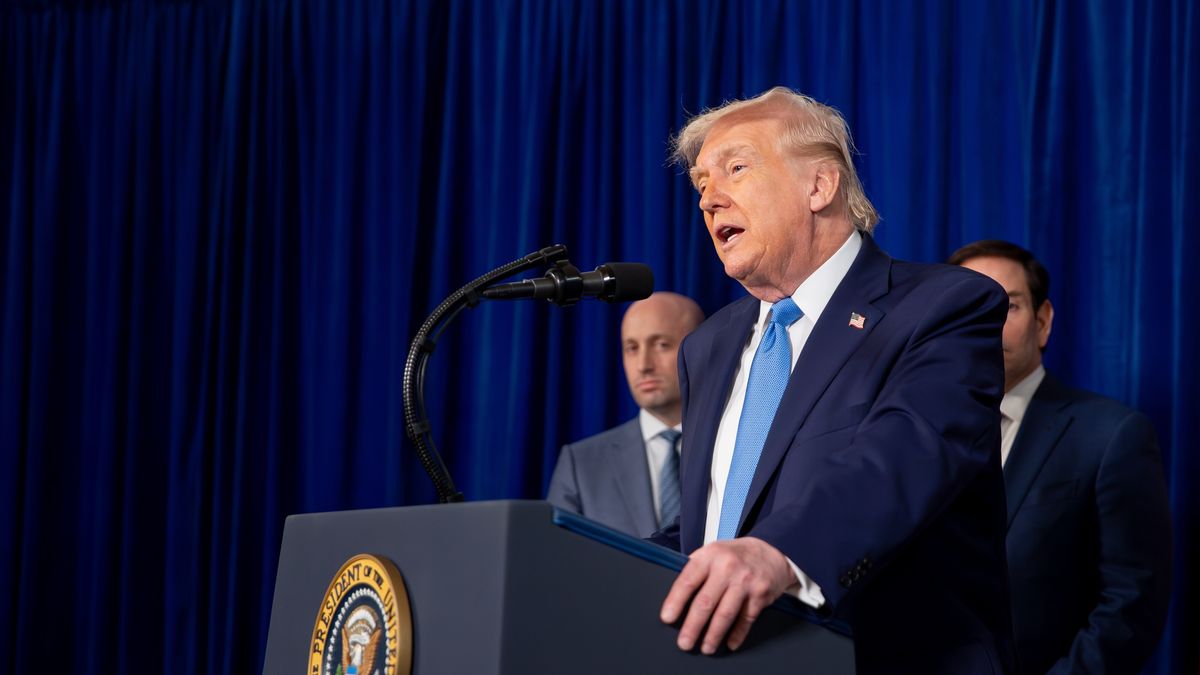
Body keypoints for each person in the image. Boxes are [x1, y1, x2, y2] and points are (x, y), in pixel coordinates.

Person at [652, 87, 1017, 674]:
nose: (709, 201)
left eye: (736, 168)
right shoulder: (708, 346)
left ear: (820, 186)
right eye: (700, 185)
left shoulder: (944, 306)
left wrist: (779, 552)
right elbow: (714, 521)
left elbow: (905, 453)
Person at [950, 240, 1172, 674]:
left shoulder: (1112, 435)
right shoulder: (917, 432)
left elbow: (1130, 607)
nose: (985, 324)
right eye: (966, 307)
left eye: (1006, 306)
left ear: (1043, 321)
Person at [547, 292, 705, 537]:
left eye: (662, 345)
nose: (643, 365)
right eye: (631, 348)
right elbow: (557, 563)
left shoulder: (739, 446)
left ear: (701, 350)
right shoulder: (581, 465)